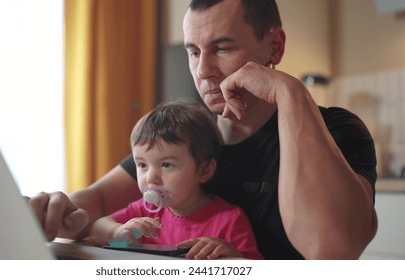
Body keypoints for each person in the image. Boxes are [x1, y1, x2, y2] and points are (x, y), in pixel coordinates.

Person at [28, 0, 378, 259]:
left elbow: (332, 250)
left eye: (223, 48)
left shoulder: (336, 130)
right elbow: (99, 201)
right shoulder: (188, 136)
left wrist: (290, 92)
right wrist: (59, 213)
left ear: (275, 46)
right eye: (194, 52)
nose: (204, 71)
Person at [88, 101, 263, 260]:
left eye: (166, 165)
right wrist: (118, 234)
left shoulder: (230, 220)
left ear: (204, 170)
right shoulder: (143, 212)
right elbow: (97, 231)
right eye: (142, 165)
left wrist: (230, 253)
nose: (151, 177)